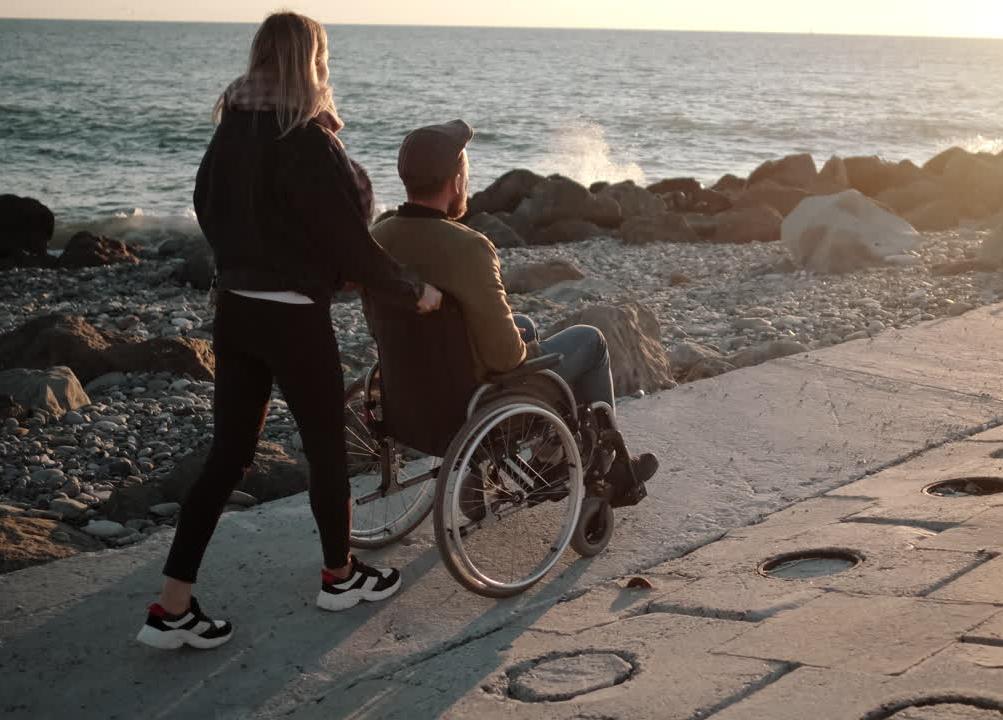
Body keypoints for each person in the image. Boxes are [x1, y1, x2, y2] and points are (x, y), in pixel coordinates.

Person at [137, 11, 443, 651]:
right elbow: (351, 245)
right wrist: (415, 291)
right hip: (293, 318)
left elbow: (204, 206)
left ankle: (171, 606)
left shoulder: (230, 130)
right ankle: (339, 576)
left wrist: (245, 260)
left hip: (236, 311)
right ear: (313, 62)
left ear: (260, 56)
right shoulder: (307, 140)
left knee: (228, 457)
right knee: (326, 448)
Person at [369, 119, 659, 481]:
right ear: (456, 181)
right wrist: (532, 352)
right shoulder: (468, 247)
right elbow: (506, 358)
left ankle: (535, 461)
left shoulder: (378, 237)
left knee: (525, 324)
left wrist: (523, 337)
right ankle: (612, 470)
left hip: (410, 398)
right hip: (469, 408)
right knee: (591, 341)